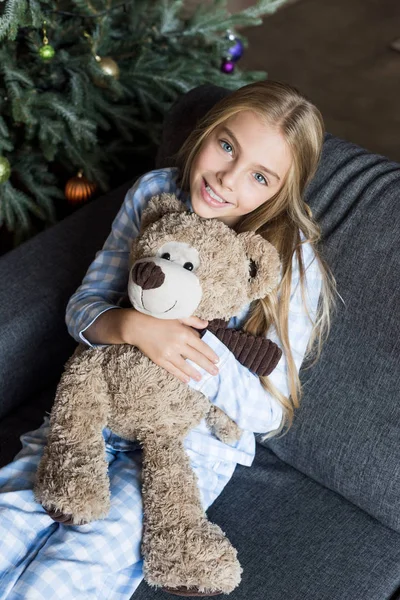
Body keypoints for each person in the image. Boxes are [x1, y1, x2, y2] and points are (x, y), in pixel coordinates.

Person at [0, 80, 336, 599]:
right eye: (226, 146)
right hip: (94, 411)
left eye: (259, 176)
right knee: (10, 520)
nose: (226, 179)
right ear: (206, 132)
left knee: (68, 574)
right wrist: (134, 327)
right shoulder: (155, 194)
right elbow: (84, 308)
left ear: (280, 191)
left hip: (185, 450)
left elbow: (271, 411)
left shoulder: (292, 263)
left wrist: (198, 355)